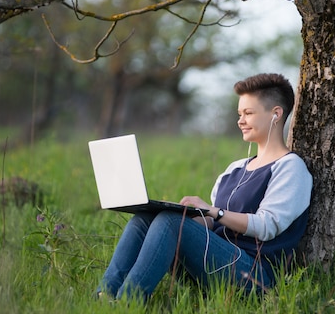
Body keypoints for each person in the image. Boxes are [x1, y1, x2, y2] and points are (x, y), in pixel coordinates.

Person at [96, 73, 312, 301]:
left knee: (170, 224)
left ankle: (126, 304)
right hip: (216, 262)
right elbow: (212, 223)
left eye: (248, 113)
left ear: (276, 114)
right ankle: (105, 296)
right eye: (239, 114)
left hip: (254, 275)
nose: (240, 121)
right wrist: (181, 214)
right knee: (148, 219)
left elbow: (266, 225)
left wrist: (212, 211)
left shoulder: (290, 168)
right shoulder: (235, 168)